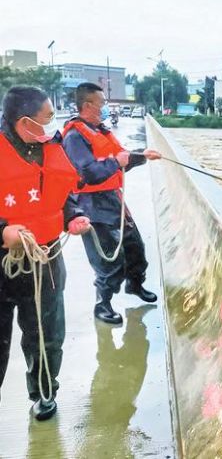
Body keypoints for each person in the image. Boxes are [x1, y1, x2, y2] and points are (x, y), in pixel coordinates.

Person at [0, 86, 91, 420]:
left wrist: (73, 215)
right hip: (4, 262)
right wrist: (3, 232)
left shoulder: (51, 146)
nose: (54, 123)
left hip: (46, 258)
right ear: (24, 122)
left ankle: (44, 391)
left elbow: (61, 191)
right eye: (48, 117)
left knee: (47, 335)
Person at [62, 83, 161, 325]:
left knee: (135, 246)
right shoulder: (75, 137)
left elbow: (120, 158)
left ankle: (135, 285)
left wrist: (142, 155)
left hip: (113, 199)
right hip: (91, 205)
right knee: (107, 259)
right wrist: (116, 162)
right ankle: (102, 304)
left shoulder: (100, 131)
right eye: (102, 103)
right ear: (88, 105)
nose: (105, 107)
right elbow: (88, 173)